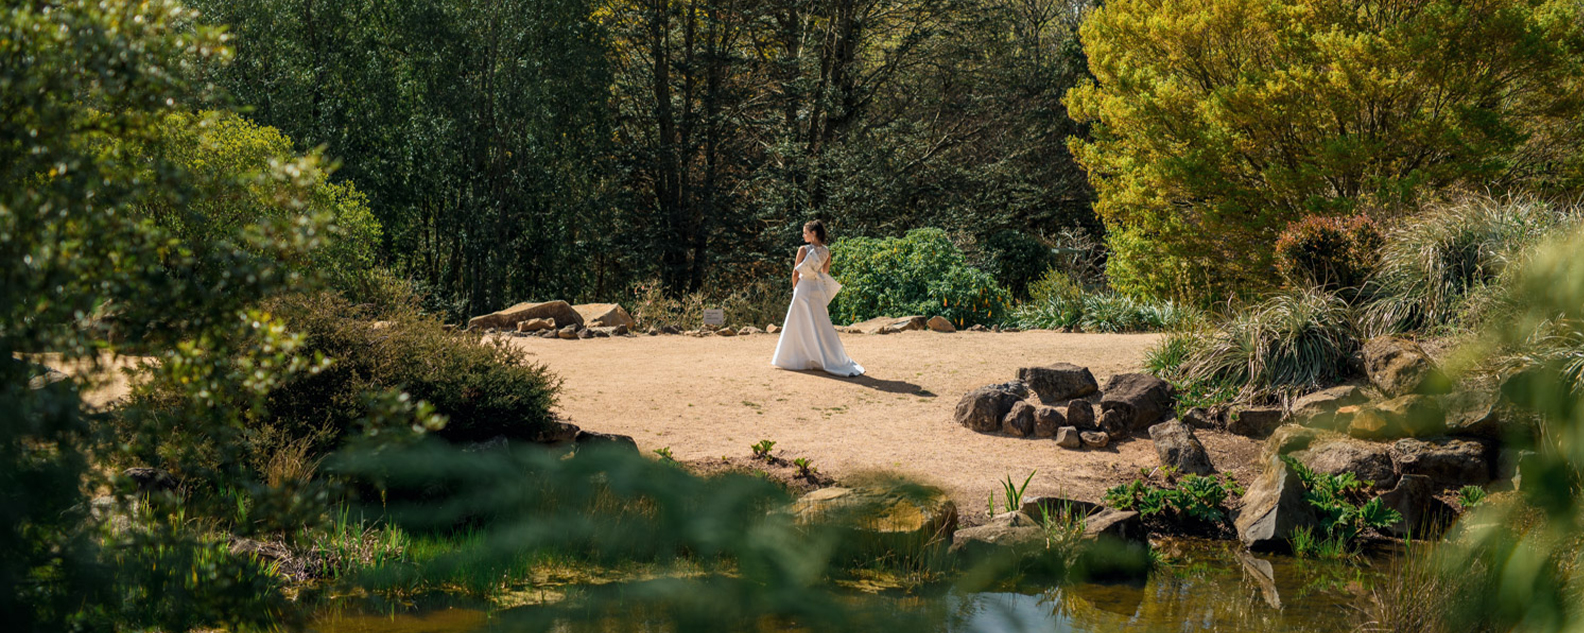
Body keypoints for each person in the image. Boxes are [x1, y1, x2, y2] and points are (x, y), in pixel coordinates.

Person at [771, 220, 865, 377]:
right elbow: (824, 273)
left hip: (803, 288)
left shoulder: (803, 249)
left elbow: (795, 273)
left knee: (799, 323)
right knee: (820, 323)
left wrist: (795, 288)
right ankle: (825, 357)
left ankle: (797, 358)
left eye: (805, 232)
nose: (803, 235)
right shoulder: (826, 251)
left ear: (813, 233)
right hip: (816, 289)